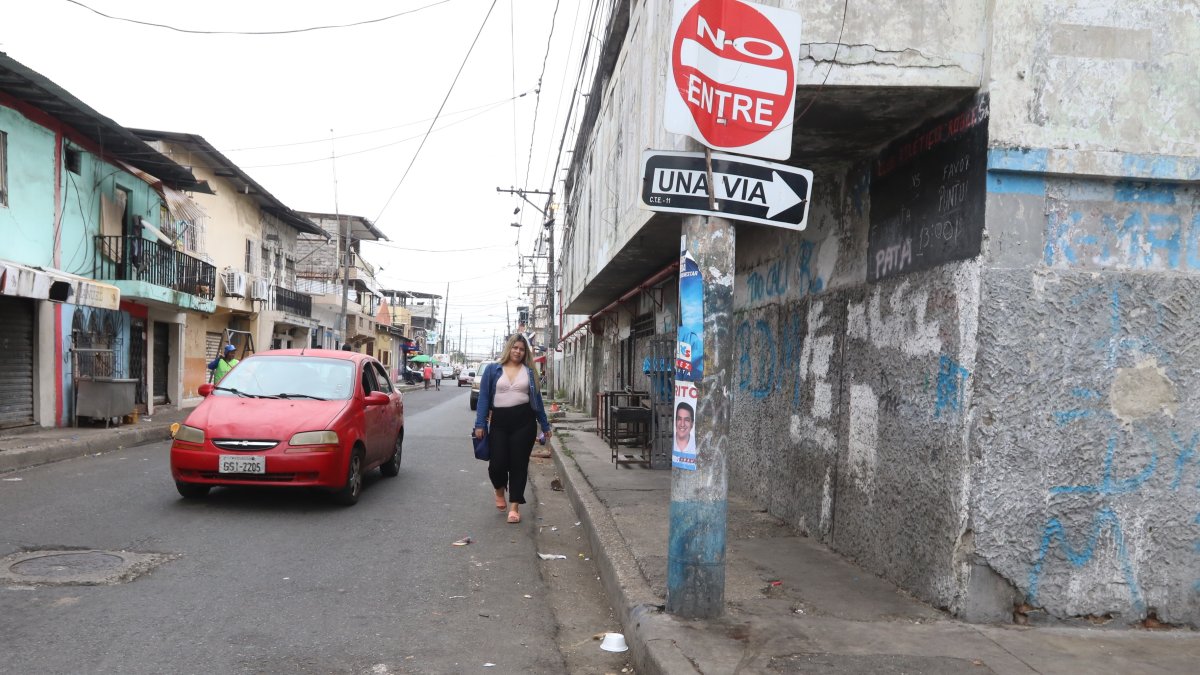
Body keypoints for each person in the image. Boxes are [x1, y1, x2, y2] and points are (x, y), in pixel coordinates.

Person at [474, 334, 551, 524]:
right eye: (515, 347)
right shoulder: (492, 370)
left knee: (519, 464)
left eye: (522, 349)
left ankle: (514, 506)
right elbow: (484, 398)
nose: (518, 351)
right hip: (499, 422)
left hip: (524, 422)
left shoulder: (529, 372)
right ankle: (499, 489)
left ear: (526, 353)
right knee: (497, 464)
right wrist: (480, 424)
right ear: (509, 348)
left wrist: (545, 425)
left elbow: (537, 401)